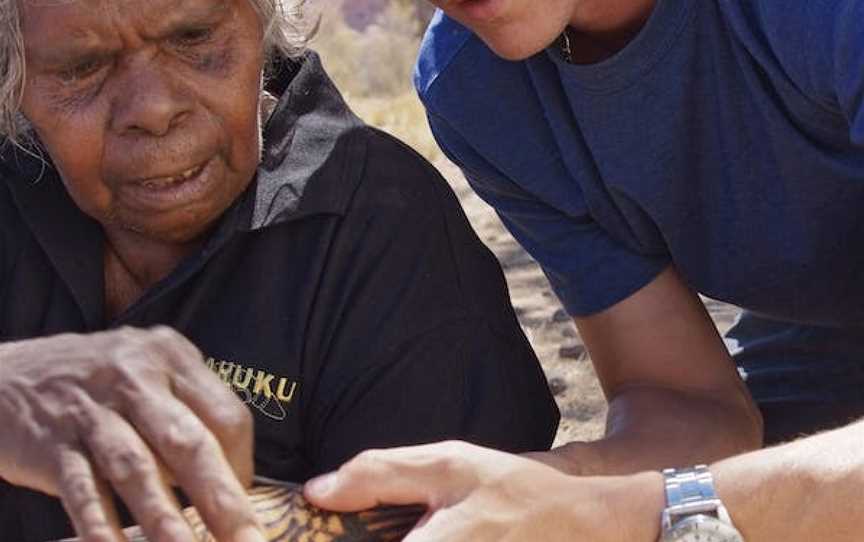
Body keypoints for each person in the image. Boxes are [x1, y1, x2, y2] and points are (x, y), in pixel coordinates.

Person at [0, 0, 561, 540]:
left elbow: (447, 520)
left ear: (263, 29)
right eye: (81, 68)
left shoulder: (384, 229)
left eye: (193, 38)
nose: (152, 108)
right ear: (15, 85)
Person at [304, 0, 864, 540]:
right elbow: (689, 403)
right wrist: (555, 486)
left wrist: (623, 513)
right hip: (819, 338)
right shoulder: (475, 88)